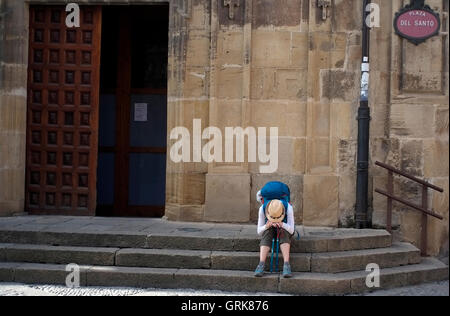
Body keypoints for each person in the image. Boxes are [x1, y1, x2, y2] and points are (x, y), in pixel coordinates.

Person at [254, 193, 295, 278]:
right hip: (269, 228)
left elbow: (292, 230)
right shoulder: (262, 208)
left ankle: (286, 264)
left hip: (284, 228)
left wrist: (282, 224)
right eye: (273, 217)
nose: (275, 219)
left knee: (283, 232)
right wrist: (267, 226)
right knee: (266, 232)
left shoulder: (288, 208)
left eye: (278, 217)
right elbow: (259, 231)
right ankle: (261, 264)